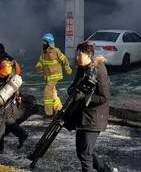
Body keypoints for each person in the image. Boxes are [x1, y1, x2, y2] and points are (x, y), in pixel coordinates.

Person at [70, 41, 118, 172]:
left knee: (85, 154)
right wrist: (72, 91)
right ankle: (106, 170)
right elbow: (74, 86)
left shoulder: (99, 70)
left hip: (94, 118)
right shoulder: (82, 69)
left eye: (80, 54)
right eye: (77, 54)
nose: (77, 57)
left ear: (89, 54)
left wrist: (84, 98)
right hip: (82, 117)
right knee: (83, 152)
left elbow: (104, 97)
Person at [0, 43, 28, 154]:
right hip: (10, 94)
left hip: (3, 94)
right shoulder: (11, 59)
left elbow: (3, 73)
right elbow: (18, 71)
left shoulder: (3, 62)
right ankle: (22, 134)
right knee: (7, 118)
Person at [35, 33, 72, 117]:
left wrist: (68, 69)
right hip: (47, 77)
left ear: (49, 42)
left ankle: (49, 113)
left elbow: (64, 59)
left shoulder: (56, 51)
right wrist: (38, 65)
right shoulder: (43, 52)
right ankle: (59, 109)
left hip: (55, 76)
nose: (42, 43)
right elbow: (41, 61)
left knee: (47, 92)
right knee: (53, 93)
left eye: (44, 42)